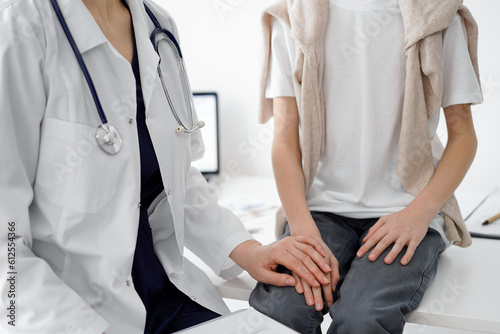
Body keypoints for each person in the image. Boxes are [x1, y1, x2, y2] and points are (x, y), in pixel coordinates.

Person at [0, 0, 334, 333]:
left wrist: (247, 250)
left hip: (167, 297)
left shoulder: (157, 25)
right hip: (74, 314)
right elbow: (6, 246)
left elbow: (174, 180)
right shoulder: (20, 28)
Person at [249, 0, 483, 333]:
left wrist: (419, 214)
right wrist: (301, 229)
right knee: (281, 313)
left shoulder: (438, 13)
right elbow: (284, 136)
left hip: (407, 210)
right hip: (318, 213)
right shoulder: (293, 15)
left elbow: (464, 134)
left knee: (362, 318)